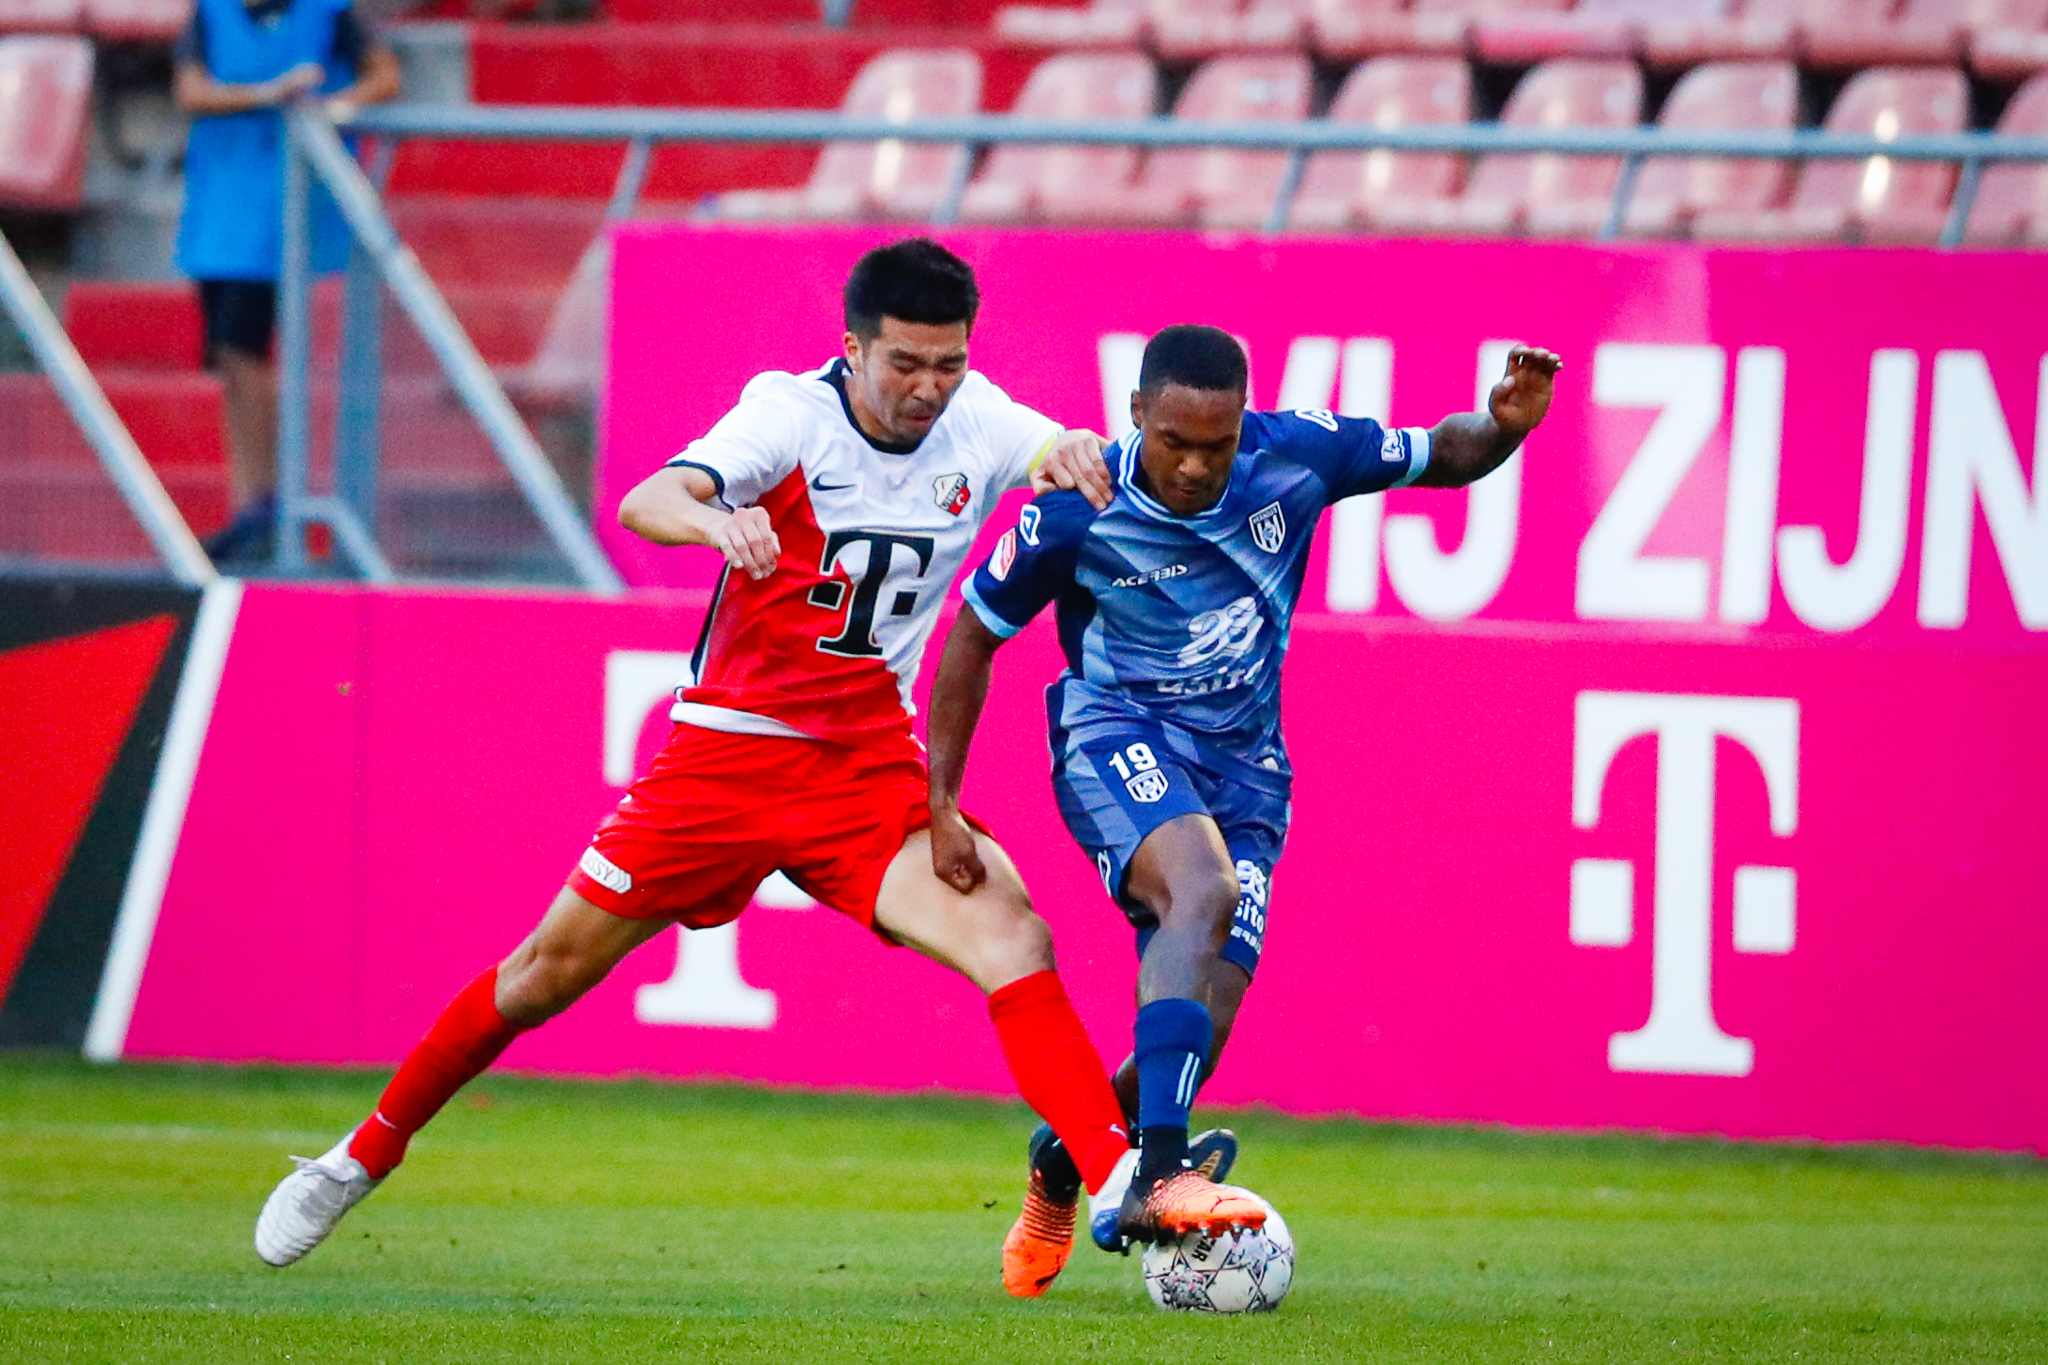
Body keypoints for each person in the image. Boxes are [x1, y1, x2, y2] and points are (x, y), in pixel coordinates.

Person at [251, 240, 1253, 1296]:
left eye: (946, 364)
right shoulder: (784, 416)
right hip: (727, 760)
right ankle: (362, 1154)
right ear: (853, 347)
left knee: (1012, 931)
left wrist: (1080, 456)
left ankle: (1115, 1181)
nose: (926, 387)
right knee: (544, 974)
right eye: (904, 363)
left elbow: (1059, 448)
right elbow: (651, 497)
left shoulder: (978, 420)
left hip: (865, 768)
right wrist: (712, 518)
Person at [925, 324, 1562, 1288]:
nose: (1194, 466)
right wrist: (943, 800)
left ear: (1241, 423)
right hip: (1112, 733)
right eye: (1175, 441)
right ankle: (1162, 1175)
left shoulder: (1296, 456)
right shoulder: (1076, 509)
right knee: (1202, 886)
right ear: (1136, 415)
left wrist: (1506, 427)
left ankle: (1067, 1159)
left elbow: (1446, 451)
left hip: (1249, 773)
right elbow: (972, 637)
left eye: (1216, 446)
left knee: (1203, 1023)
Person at [173, 0, 401, 565]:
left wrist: (334, 106)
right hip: (218, 216)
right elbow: (190, 91)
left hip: (282, 218)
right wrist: (267, 95)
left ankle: (269, 502)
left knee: (245, 351)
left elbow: (385, 76)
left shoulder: (329, 15)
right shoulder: (211, 16)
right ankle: (251, 501)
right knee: (229, 360)